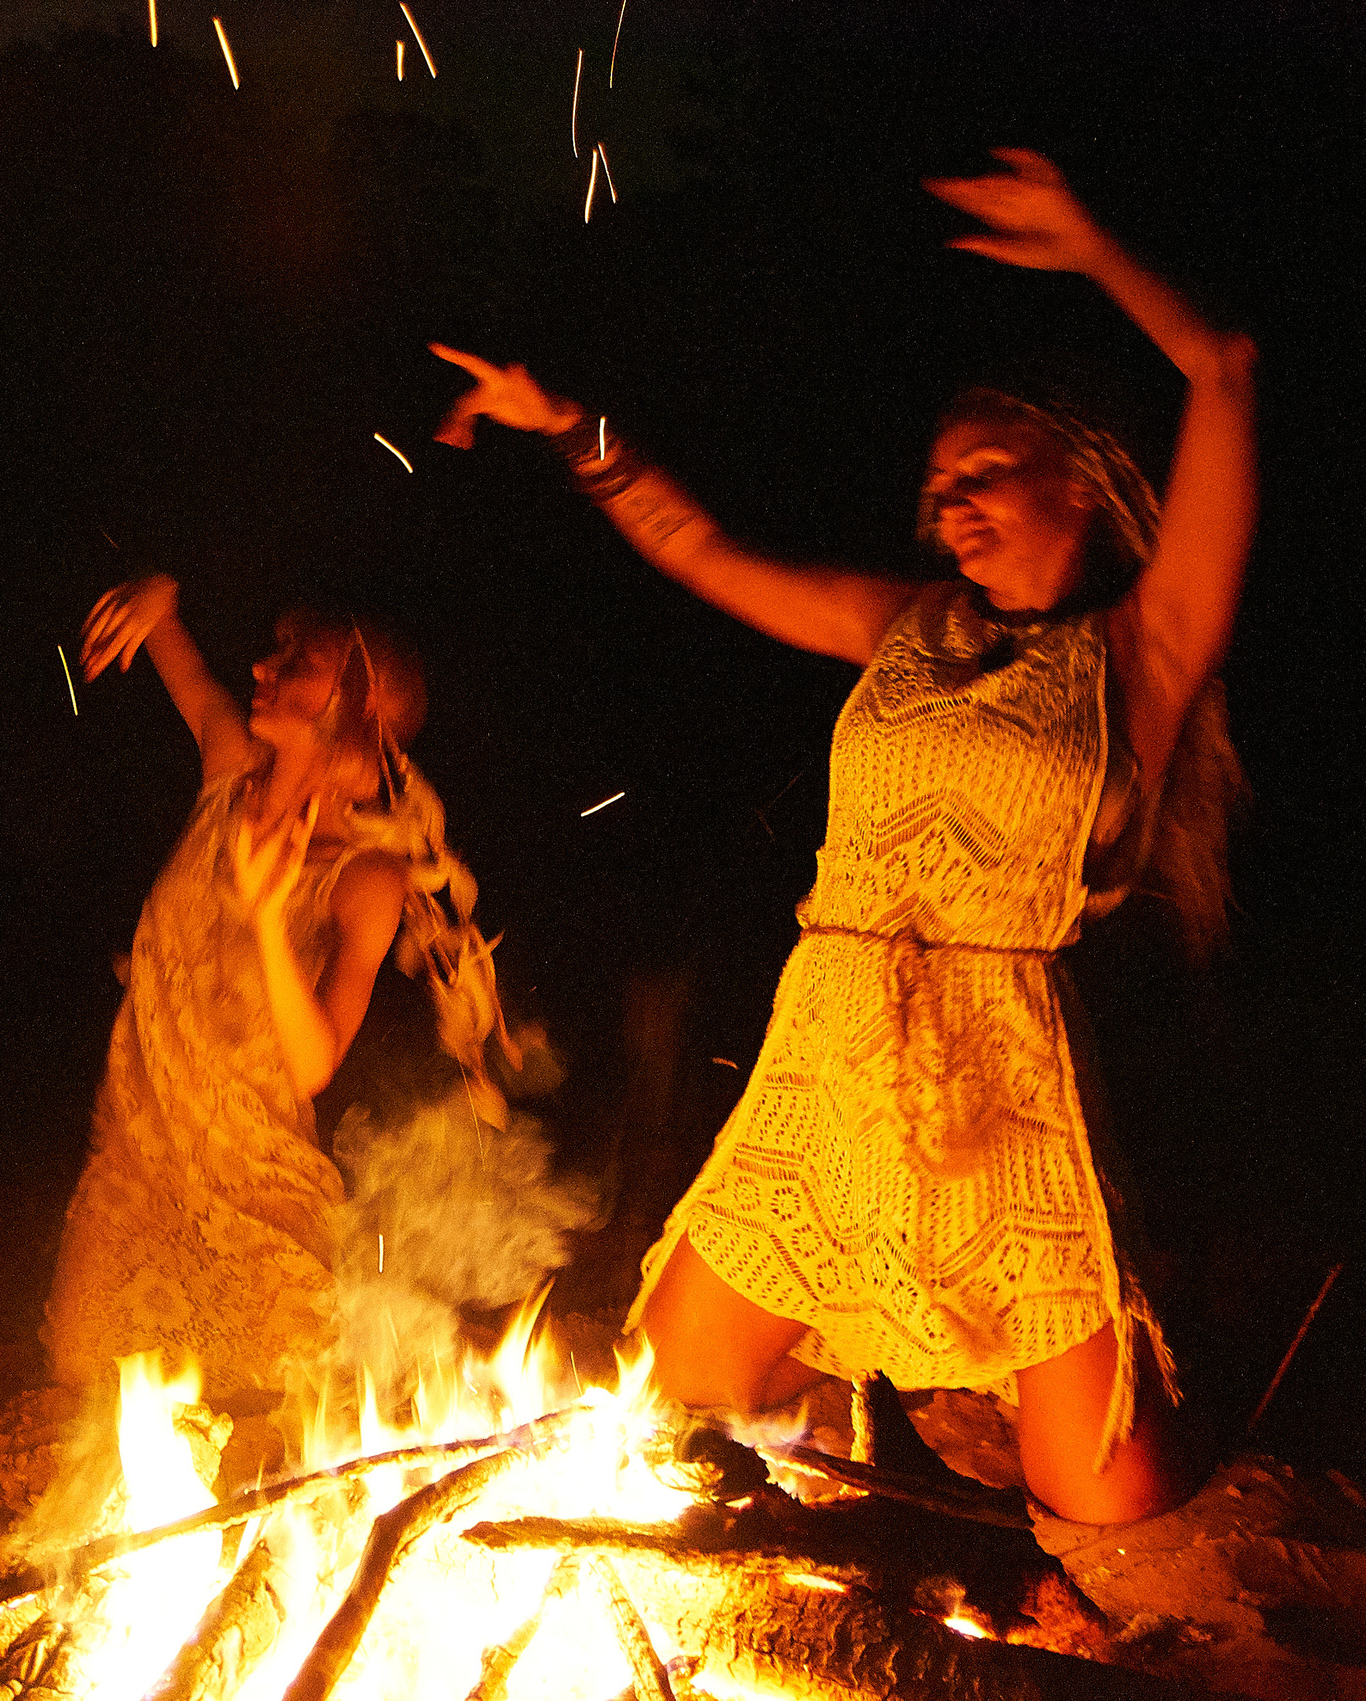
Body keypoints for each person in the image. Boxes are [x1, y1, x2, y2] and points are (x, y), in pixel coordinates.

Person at [433, 148, 1256, 1525]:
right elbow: (701, 549)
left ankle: (1156, 1331)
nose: (953, 499)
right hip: (826, 1063)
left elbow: (1223, 369)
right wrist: (577, 429)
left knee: (1104, 1497)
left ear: (1086, 487)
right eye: (939, 483)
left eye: (991, 467)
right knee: (664, 1409)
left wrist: (1098, 245)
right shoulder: (902, 626)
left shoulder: (1141, 653)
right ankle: (844, 1400)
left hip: (1004, 1089)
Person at [43, 577, 516, 1409]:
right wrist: (160, 595)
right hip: (134, 1177)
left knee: (285, 1390)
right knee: (87, 1378)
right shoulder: (228, 769)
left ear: (360, 705)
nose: (263, 665)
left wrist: (266, 917)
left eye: (298, 661)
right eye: (276, 648)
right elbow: (173, 645)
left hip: (257, 1194)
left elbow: (312, 1065)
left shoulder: (364, 877)